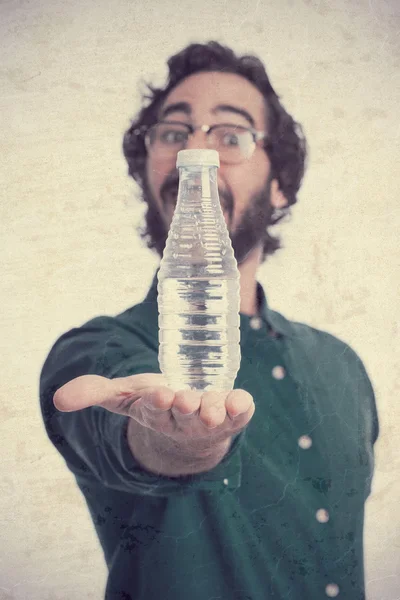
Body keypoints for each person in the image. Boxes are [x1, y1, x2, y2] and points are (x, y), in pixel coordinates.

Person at [39, 41, 379, 600]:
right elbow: (134, 438)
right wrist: (183, 443)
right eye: (174, 133)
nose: (196, 149)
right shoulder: (97, 353)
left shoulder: (341, 364)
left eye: (230, 135)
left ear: (280, 183)